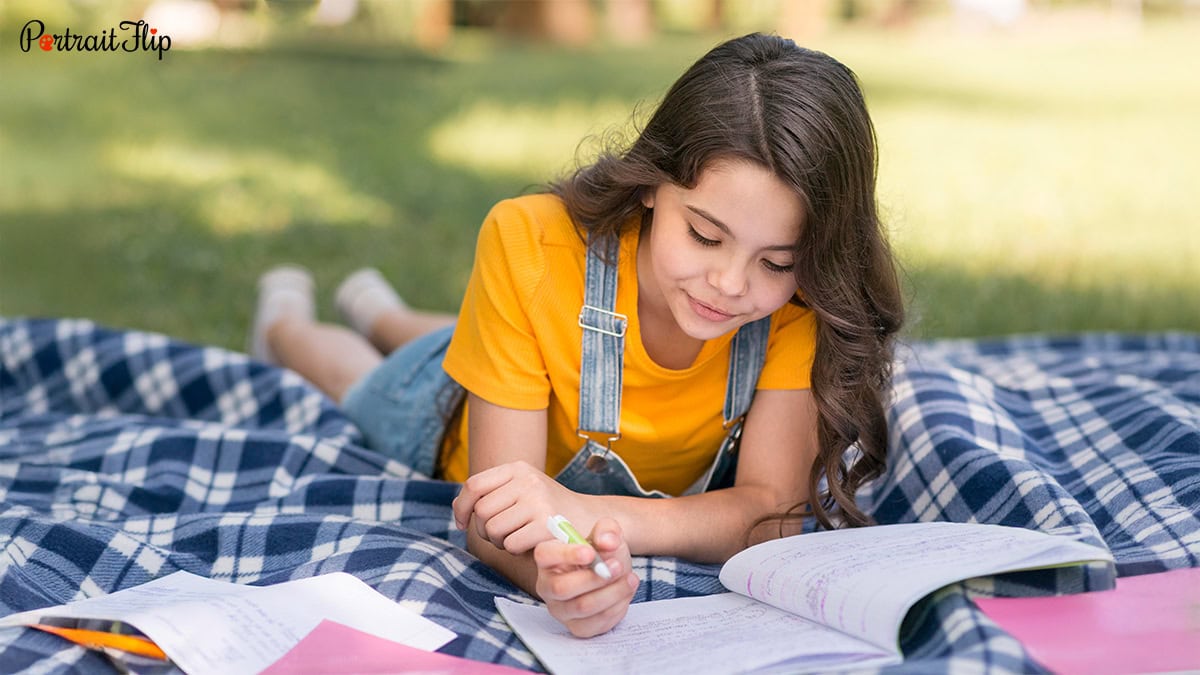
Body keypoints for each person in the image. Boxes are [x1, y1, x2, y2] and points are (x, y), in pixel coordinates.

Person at [250, 32, 904, 639]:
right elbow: (496, 505)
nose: (730, 284)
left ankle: (378, 307)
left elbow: (771, 514)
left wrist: (591, 519)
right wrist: (548, 573)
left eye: (776, 261)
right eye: (705, 234)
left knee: (455, 331)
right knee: (359, 378)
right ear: (652, 182)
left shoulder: (803, 303)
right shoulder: (529, 242)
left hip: (531, 376)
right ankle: (289, 319)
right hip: (439, 411)